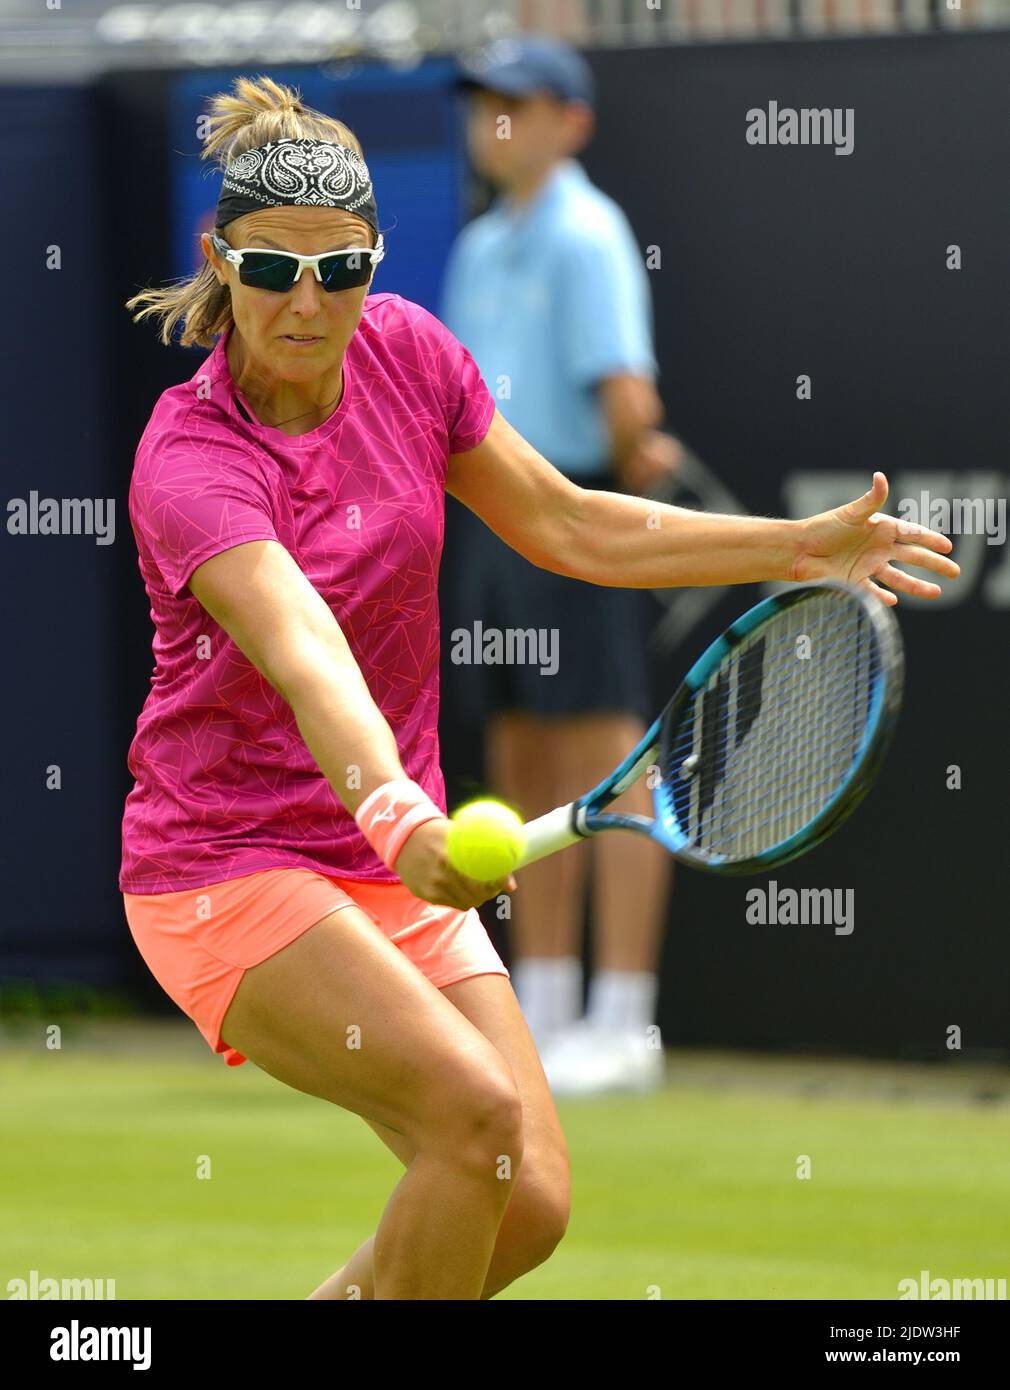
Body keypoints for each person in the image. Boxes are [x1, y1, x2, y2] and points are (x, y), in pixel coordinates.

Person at [119, 74, 957, 1301]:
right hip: (225, 864)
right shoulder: (189, 457)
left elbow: (570, 524)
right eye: (272, 268)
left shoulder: (409, 354)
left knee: (529, 1196)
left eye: (341, 268)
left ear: (375, 260)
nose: (307, 302)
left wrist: (788, 547)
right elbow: (306, 652)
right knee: (470, 1114)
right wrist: (402, 817)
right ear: (220, 258)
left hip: (375, 858)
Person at [440, 34, 683, 1094]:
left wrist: (638, 440)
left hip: (569, 523)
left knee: (605, 762)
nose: (492, 120)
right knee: (522, 763)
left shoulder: (588, 234)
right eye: (482, 101)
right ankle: (538, 1009)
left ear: (567, 121)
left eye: (516, 102)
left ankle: (623, 1022)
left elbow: (625, 396)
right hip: (491, 534)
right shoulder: (479, 244)